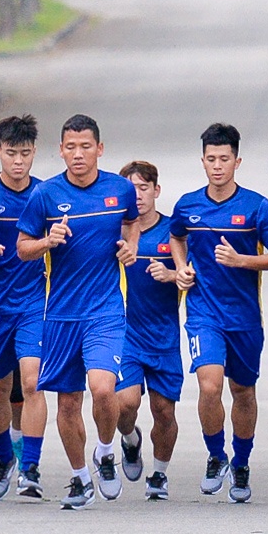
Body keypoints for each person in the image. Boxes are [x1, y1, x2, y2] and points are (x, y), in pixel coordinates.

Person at [16, 114, 139, 510]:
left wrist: (129, 246)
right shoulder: (46, 195)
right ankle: (79, 478)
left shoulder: (120, 190)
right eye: (70, 147)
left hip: (105, 310)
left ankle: (105, 451)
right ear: (61, 150)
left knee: (103, 388)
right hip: (60, 315)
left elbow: (132, 225)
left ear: (99, 149)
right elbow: (22, 247)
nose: (78, 154)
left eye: (86, 146)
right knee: (67, 403)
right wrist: (47, 241)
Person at [167, 122, 268, 504]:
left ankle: (242, 462)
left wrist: (242, 260)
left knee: (243, 391)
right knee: (209, 386)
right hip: (204, 312)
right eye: (211, 159)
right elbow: (176, 236)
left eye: (225, 159)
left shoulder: (256, 206)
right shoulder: (188, 204)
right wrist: (182, 267)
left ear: (237, 161)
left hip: (245, 316)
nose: (217, 166)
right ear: (202, 160)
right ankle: (216, 454)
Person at [0, 114, 49, 499]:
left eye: (26, 153)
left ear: (34, 153)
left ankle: (30, 467)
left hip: (35, 304)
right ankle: (3, 455)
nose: (18, 162)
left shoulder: (46, 195)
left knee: (33, 383)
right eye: (11, 153)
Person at [115, 160, 182, 501]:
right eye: (131, 190)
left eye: (144, 188)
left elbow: (195, 273)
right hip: (125, 335)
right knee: (124, 405)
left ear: (157, 191)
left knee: (164, 411)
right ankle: (129, 440)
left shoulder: (173, 232)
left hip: (164, 335)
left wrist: (172, 275)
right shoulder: (114, 231)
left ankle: (159, 474)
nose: (138, 196)